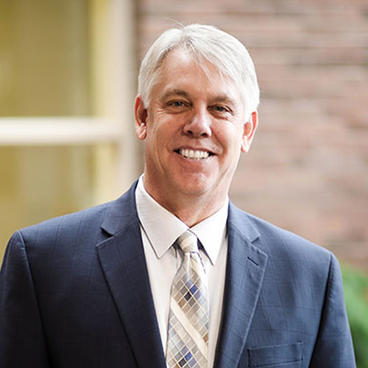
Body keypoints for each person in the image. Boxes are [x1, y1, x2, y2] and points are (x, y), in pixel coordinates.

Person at [0, 24, 355, 368]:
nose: (199, 124)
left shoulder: (310, 277)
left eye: (220, 108)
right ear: (142, 116)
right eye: (178, 102)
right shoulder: (42, 264)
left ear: (246, 131)